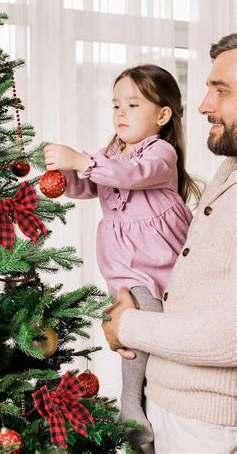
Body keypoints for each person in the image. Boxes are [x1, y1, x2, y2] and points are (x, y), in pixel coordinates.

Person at [43, 64, 200, 451]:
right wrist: (63, 173)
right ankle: (135, 406)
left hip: (158, 258)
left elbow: (132, 174)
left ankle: (133, 401)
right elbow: (89, 184)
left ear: (162, 116)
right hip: (124, 262)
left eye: (132, 104)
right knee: (129, 324)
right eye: (116, 105)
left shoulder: (160, 153)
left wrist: (81, 160)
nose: (121, 114)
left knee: (148, 324)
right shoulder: (111, 152)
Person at [102, 33, 237, 453]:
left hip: (206, 425)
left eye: (222, 90)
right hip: (165, 403)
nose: (202, 106)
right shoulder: (230, 167)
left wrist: (126, 325)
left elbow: (231, 334)